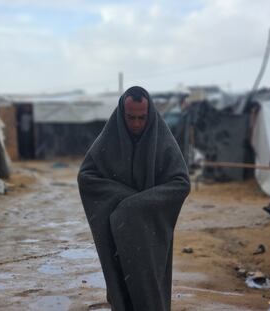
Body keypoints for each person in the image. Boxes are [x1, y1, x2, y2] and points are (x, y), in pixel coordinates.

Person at [77, 86, 190, 311]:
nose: (137, 124)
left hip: (150, 234)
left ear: (149, 114)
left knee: (150, 289)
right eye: (131, 118)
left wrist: (138, 205)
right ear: (121, 114)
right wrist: (123, 200)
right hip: (117, 234)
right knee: (121, 287)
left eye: (141, 117)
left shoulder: (162, 140)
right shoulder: (109, 139)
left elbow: (180, 183)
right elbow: (86, 176)